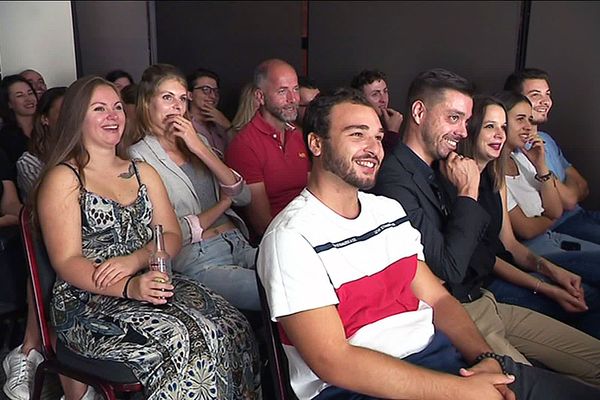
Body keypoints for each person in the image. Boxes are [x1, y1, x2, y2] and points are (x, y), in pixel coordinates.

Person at [258, 87, 599, 400]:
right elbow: (334, 361)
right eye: (356, 135)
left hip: (442, 362)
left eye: (377, 137)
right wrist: (460, 391)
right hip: (360, 389)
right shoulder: (290, 236)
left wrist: (485, 359)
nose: (373, 148)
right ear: (317, 144)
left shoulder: (386, 211)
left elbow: (437, 296)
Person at [34, 75, 260, 399]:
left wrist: (137, 260)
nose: (113, 116)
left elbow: (171, 234)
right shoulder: (64, 178)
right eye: (99, 109)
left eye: (116, 107)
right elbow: (67, 261)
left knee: (232, 325)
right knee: (184, 338)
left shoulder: (143, 171)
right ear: (76, 117)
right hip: (88, 299)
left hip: (153, 280)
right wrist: (127, 286)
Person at [371, 69, 600, 382]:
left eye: (465, 121)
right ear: (419, 112)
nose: (462, 132)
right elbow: (448, 269)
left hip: (484, 300)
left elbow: (486, 250)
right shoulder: (396, 180)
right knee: (539, 388)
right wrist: (468, 192)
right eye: (453, 118)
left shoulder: (440, 166)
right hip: (460, 314)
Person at [129, 64, 259, 311]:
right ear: (147, 103)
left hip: (237, 242)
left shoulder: (196, 140)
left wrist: (200, 148)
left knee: (304, 271)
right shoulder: (138, 157)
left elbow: (243, 196)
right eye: (167, 98)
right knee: (275, 289)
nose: (177, 106)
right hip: (200, 258)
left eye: (182, 99)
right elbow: (169, 234)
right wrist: (222, 203)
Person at [504, 68, 600, 245]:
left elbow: (583, 186)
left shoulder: (546, 139)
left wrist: (568, 192)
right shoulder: (517, 149)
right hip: (560, 227)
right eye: (535, 95)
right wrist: (568, 191)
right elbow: (568, 201)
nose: (545, 101)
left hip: (581, 214)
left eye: (547, 94)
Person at [226, 59, 310, 240]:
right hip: (280, 241)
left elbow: (315, 192)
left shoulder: (299, 135)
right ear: (260, 97)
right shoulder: (245, 145)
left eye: (295, 89)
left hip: (312, 228)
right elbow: (263, 224)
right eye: (282, 91)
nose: (293, 99)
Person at [16, 86, 66, 199]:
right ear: (45, 119)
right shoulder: (29, 162)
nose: (71, 119)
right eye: (64, 112)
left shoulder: (90, 151)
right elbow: (50, 202)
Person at [350, 69, 403, 152]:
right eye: (375, 94)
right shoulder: (357, 128)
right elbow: (383, 161)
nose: (383, 99)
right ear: (361, 99)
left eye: (385, 92)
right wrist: (392, 132)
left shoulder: (386, 121)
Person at [186, 68, 231, 158]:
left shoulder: (221, 125)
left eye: (215, 91)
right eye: (206, 89)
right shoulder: (186, 126)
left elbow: (242, 151)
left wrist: (228, 126)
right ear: (190, 95)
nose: (213, 96)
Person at [0, 75, 37, 170]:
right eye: (20, 95)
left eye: (30, 93)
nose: (28, 99)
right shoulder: (5, 138)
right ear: (9, 103)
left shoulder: (47, 127)